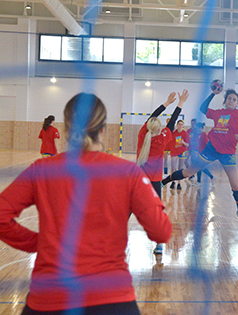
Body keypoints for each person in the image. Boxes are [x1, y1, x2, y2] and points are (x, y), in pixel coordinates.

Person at [0, 93, 172, 315]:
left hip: (49, 298)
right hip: (112, 299)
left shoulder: (42, 170)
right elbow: (161, 231)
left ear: (66, 128)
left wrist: (36, 242)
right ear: (103, 130)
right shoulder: (127, 172)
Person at [162, 86, 238, 229]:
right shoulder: (218, 113)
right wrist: (213, 93)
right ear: (225, 101)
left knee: (236, 186)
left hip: (228, 153)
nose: (231, 101)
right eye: (229, 98)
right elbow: (203, 108)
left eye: (234, 99)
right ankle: (164, 181)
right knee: (188, 172)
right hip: (211, 149)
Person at [137, 90, 189, 254]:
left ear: (147, 126)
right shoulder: (162, 139)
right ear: (159, 129)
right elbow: (172, 122)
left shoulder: (142, 135)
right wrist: (180, 103)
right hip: (154, 181)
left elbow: (152, 116)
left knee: (126, 210)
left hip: (137, 181)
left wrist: (166, 103)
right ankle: (159, 244)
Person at [190, 122, 216, 186]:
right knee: (200, 167)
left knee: (199, 167)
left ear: (200, 128)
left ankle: (201, 181)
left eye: (197, 129)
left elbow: (206, 144)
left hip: (203, 154)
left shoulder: (204, 135)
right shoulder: (198, 135)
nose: (196, 130)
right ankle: (210, 178)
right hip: (199, 153)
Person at [169, 120, 189, 190]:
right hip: (174, 151)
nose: (180, 126)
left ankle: (179, 183)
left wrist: (183, 142)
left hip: (182, 151)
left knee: (180, 168)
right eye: (179, 124)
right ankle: (173, 181)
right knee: (173, 168)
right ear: (177, 125)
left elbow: (188, 144)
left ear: (183, 126)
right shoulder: (173, 133)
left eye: (181, 124)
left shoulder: (185, 134)